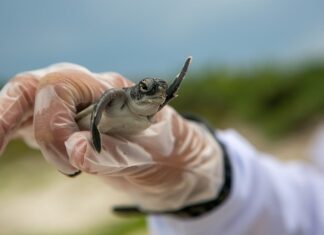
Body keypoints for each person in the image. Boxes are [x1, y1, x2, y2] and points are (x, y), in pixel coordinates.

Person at [0, 63, 323, 235]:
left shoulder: (158, 100)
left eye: (162, 91)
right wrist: (218, 184)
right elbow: (307, 211)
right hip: (99, 121)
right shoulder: (117, 96)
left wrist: (196, 169)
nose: (156, 93)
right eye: (146, 88)